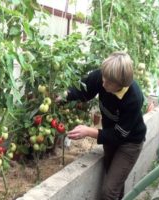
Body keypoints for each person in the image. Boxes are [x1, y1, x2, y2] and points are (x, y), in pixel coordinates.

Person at [64, 51, 146, 200]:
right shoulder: (104, 76)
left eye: (109, 82)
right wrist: (64, 95)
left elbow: (119, 135)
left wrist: (89, 131)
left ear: (121, 84)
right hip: (110, 137)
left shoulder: (133, 98)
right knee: (114, 185)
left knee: (109, 191)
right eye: (103, 77)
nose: (103, 83)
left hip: (129, 143)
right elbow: (84, 91)